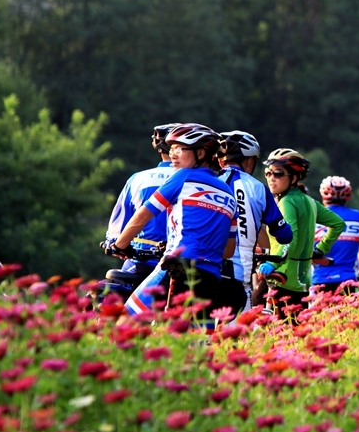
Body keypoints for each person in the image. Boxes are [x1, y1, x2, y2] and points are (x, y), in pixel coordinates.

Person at [109, 123, 238, 328]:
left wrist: (119, 244)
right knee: (196, 343)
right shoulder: (228, 194)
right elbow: (228, 250)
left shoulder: (183, 177)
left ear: (201, 152)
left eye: (180, 148)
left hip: (177, 267)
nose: (173, 154)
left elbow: (144, 214)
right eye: (171, 148)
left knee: (125, 322)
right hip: (210, 276)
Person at [257, 149, 345, 318]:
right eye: (268, 173)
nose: (271, 178)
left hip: (281, 278)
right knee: (295, 334)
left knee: (252, 321)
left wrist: (273, 264)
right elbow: (338, 224)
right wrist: (321, 249)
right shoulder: (310, 201)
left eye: (278, 173)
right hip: (302, 282)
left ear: (295, 177)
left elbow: (290, 236)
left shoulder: (286, 202)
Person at [215, 131, 293, 313]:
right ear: (249, 161)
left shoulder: (208, 182)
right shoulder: (258, 188)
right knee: (239, 335)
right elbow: (284, 235)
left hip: (204, 270)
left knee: (203, 331)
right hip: (238, 275)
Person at [104, 124, 178, 274]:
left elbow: (116, 231)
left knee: (109, 292)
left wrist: (113, 243)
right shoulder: (196, 181)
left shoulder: (138, 178)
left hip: (140, 261)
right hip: (179, 262)